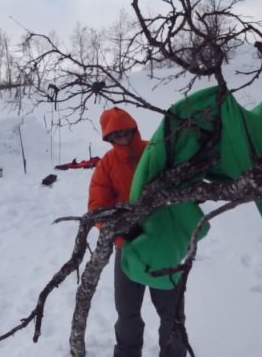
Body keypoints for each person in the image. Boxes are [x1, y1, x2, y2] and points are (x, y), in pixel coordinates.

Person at [88, 107, 186, 357]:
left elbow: (179, 182)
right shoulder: (106, 165)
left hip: (162, 246)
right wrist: (120, 234)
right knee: (127, 312)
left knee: (171, 311)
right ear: (108, 138)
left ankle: (173, 353)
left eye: (124, 132)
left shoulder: (154, 152)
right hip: (128, 247)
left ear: (133, 129)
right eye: (114, 134)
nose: (121, 137)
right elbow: (97, 207)